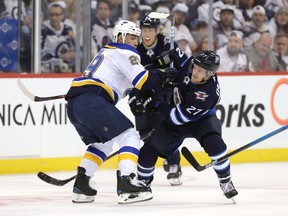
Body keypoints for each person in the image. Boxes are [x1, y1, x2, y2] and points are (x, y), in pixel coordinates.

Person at [65, 20, 157, 204]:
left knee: (103, 143)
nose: (136, 42)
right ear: (121, 37)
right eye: (132, 37)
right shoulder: (125, 51)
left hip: (76, 104)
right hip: (93, 101)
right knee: (130, 136)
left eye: (137, 38)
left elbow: (130, 83)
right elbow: (143, 81)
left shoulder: (107, 52)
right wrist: (163, 76)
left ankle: (82, 184)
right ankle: (127, 182)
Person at [134, 50, 239, 201]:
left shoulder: (206, 95)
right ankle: (143, 183)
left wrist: (156, 103)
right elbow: (178, 55)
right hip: (178, 117)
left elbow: (177, 119)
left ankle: (225, 181)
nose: (195, 72)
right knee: (146, 152)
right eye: (195, 67)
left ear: (209, 74)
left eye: (200, 71)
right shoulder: (190, 65)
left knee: (215, 144)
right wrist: (166, 57)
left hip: (201, 121)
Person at [136, 14, 188, 186]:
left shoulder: (168, 44)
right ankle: (167, 154)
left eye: (151, 30)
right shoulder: (134, 47)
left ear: (157, 31)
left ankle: (174, 164)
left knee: (164, 129)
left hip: (164, 92)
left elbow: (186, 65)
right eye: (144, 29)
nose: (147, 33)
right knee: (144, 131)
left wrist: (176, 68)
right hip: (143, 92)